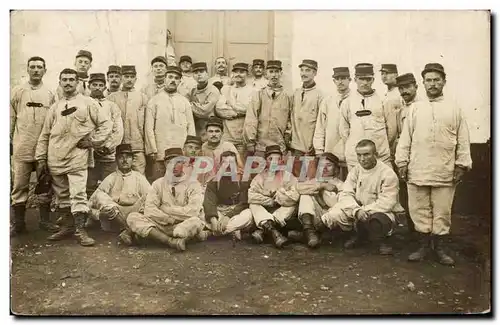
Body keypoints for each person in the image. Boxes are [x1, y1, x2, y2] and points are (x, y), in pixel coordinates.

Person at [395, 63, 472, 266]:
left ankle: (440, 248)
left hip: (444, 169)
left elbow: (463, 139)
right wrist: (402, 163)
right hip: (417, 169)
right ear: (423, 83)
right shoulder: (414, 109)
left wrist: (461, 164)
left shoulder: (454, 109)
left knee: (442, 210)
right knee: (419, 208)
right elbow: (405, 139)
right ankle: (422, 246)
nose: (433, 84)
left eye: (436, 80)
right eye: (428, 80)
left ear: (444, 82)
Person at [35, 68, 112, 246]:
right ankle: (67, 227)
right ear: (60, 82)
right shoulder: (55, 107)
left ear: (78, 82)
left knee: (78, 193)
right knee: (62, 194)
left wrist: (92, 141)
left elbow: (105, 124)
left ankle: (80, 230)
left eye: (71, 79)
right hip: (56, 156)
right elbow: (45, 134)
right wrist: (41, 158)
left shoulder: (88, 103)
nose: (68, 83)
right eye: (64, 80)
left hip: (77, 156)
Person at [320, 140, 399, 255]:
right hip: (357, 209)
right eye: (359, 155)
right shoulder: (355, 170)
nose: (362, 159)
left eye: (366, 154)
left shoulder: (387, 173)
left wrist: (363, 211)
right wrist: (356, 210)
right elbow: (346, 193)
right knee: (332, 215)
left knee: (378, 219)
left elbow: (387, 202)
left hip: (380, 211)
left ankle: (382, 242)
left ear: (375, 155)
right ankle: (357, 236)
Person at [10, 56, 58, 235]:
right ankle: (19, 223)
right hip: (22, 145)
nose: (36, 70)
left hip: (42, 147)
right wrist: (9, 140)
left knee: (44, 183)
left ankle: (45, 221)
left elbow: (54, 121)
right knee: (19, 185)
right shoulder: (18, 91)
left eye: (40, 67)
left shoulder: (50, 93)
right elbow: (11, 117)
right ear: (27, 69)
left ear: (45, 70)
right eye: (33, 67)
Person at [127, 147, 207, 251]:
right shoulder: (158, 184)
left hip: (182, 224)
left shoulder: (193, 184)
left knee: (195, 222)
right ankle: (171, 241)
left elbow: (193, 211)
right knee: (133, 217)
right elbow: (149, 210)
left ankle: (154, 236)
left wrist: (166, 209)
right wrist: (169, 219)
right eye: (169, 162)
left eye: (177, 162)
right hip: (162, 223)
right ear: (165, 164)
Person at [88, 144, 151, 245]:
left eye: (128, 157)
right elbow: (92, 201)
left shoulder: (139, 177)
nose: (125, 160)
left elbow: (150, 197)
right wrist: (97, 215)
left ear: (132, 159)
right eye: (121, 157)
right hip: (114, 219)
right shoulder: (111, 178)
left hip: (134, 215)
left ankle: (127, 232)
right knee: (100, 195)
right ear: (116, 160)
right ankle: (129, 230)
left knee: (149, 197)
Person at [339, 63, 395, 171]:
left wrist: (380, 146)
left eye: (368, 79)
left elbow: (391, 130)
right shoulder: (347, 103)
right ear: (355, 79)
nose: (365, 83)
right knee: (359, 186)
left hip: (380, 157)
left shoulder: (383, 101)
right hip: (356, 159)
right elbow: (343, 131)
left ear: (373, 80)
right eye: (361, 79)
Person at [145, 65, 196, 181]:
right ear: (165, 79)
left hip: (180, 150)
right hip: (161, 151)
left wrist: (190, 150)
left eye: (176, 78)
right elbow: (149, 128)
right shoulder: (154, 101)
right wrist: (152, 150)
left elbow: (191, 126)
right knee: (160, 183)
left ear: (179, 81)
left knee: (181, 183)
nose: (173, 80)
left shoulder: (184, 102)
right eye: (170, 77)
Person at [247, 145, 300, 248]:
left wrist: (277, 196)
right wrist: (270, 201)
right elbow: (251, 196)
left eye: (278, 159)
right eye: (271, 159)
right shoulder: (260, 177)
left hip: (281, 211)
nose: (274, 162)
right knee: (253, 204)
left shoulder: (288, 176)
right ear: (266, 161)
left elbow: (295, 196)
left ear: (282, 161)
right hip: (266, 210)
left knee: (292, 205)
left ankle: (264, 230)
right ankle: (274, 232)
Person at [291, 153, 344, 248]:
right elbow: (299, 188)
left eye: (329, 165)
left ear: (336, 169)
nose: (324, 168)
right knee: (305, 195)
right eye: (322, 165)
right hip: (316, 217)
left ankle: (307, 236)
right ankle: (309, 233)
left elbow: (337, 206)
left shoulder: (340, 184)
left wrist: (322, 197)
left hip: (331, 220)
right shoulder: (316, 181)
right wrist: (321, 186)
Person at [244, 60, 293, 157]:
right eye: (271, 72)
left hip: (279, 146)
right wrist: (250, 141)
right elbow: (251, 118)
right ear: (266, 74)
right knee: (258, 171)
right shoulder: (259, 94)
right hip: (260, 146)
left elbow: (290, 119)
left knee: (278, 171)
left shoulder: (288, 96)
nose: (274, 75)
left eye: (276, 72)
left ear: (281, 73)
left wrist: (287, 138)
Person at [86, 73, 124, 198]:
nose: (97, 88)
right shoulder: (83, 104)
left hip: (107, 154)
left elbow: (117, 129)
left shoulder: (111, 106)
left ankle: (107, 214)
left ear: (104, 87)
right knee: (88, 186)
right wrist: (91, 146)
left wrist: (108, 147)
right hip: (88, 154)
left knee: (109, 186)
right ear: (89, 86)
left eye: (101, 85)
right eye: (94, 85)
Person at [107, 65, 149, 174]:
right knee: (118, 176)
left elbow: (147, 123)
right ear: (121, 78)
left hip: (137, 145)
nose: (129, 79)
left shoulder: (143, 97)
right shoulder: (112, 98)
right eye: (126, 76)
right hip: (118, 145)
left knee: (139, 175)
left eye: (132, 76)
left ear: (135, 79)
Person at [313, 66, 351, 180]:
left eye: (344, 78)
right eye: (337, 78)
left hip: (349, 153)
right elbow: (320, 127)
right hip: (331, 153)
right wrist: (319, 150)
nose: (340, 81)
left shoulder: (355, 100)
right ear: (334, 81)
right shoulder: (328, 101)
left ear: (350, 80)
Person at [393, 73, 420, 233]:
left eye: (408, 87)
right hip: (404, 158)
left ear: (416, 86)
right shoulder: (401, 109)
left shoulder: (424, 106)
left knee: (420, 198)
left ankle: (424, 233)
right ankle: (413, 232)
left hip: (420, 157)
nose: (405, 91)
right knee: (406, 196)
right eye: (401, 88)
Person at [290, 59, 325, 178]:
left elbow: (321, 123)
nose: (304, 73)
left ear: (315, 73)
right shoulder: (296, 93)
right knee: (295, 180)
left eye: (308, 70)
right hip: (295, 147)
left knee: (309, 180)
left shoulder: (320, 95)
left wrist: (314, 145)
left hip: (311, 148)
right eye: (302, 70)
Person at [203, 151, 250, 236]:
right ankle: (231, 229)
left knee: (249, 214)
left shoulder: (244, 180)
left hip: (236, 212)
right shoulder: (214, 182)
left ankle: (219, 231)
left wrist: (228, 217)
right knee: (202, 212)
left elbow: (244, 203)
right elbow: (209, 201)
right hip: (220, 211)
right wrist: (213, 219)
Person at [215, 62, 255, 158]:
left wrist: (231, 105)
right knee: (226, 165)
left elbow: (249, 109)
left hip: (244, 136)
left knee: (241, 165)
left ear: (247, 74)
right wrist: (239, 111)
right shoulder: (226, 89)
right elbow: (219, 108)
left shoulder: (253, 91)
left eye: (241, 72)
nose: (238, 74)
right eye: (236, 72)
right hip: (227, 135)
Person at [188, 62, 220, 141]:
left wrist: (189, 105)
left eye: (201, 72)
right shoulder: (193, 90)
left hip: (209, 126)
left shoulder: (213, 90)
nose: (199, 75)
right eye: (195, 73)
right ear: (193, 76)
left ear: (207, 74)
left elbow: (204, 111)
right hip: (196, 126)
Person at [380, 64, 401, 163]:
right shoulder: (388, 93)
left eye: (388, 73)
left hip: (395, 142)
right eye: (382, 73)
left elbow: (392, 126)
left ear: (396, 75)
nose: (384, 76)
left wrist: (387, 145)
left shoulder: (395, 96)